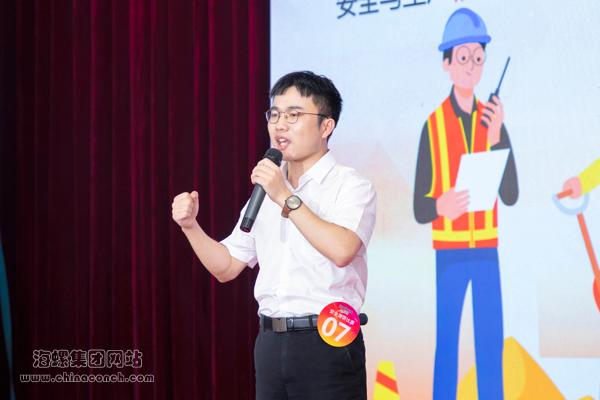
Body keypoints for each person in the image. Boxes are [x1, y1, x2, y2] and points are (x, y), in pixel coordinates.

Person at [171, 71, 376, 400]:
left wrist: (284, 196)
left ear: (326, 126)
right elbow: (227, 267)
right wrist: (191, 227)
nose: (280, 125)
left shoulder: (350, 186)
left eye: (294, 115)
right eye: (275, 115)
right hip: (270, 341)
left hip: (328, 342)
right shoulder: (267, 189)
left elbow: (342, 249)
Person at [413, 8, 518, 400]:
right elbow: (420, 207)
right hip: (450, 254)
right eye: (463, 57)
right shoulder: (433, 125)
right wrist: (440, 206)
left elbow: (511, 194)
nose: (472, 66)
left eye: (478, 57)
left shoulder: (493, 122)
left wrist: (498, 138)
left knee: (490, 343)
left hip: (487, 250)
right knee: (448, 345)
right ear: (447, 63)